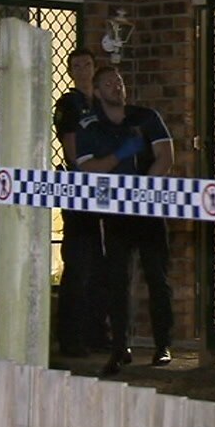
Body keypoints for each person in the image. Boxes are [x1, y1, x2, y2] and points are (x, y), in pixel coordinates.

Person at [76, 66, 175, 375]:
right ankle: (119, 348)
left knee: (158, 279)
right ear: (96, 91)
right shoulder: (90, 126)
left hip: (148, 209)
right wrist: (119, 156)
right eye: (108, 83)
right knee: (117, 281)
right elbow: (88, 169)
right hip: (115, 212)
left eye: (119, 81)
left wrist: (142, 189)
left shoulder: (146, 118)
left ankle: (163, 346)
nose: (116, 86)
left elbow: (166, 157)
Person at [53, 48, 108, 357]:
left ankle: (97, 332)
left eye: (88, 64)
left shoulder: (103, 104)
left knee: (102, 267)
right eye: (77, 66)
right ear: (71, 71)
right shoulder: (69, 105)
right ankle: (71, 338)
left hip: (107, 190)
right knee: (79, 264)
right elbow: (73, 151)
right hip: (80, 189)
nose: (84, 70)